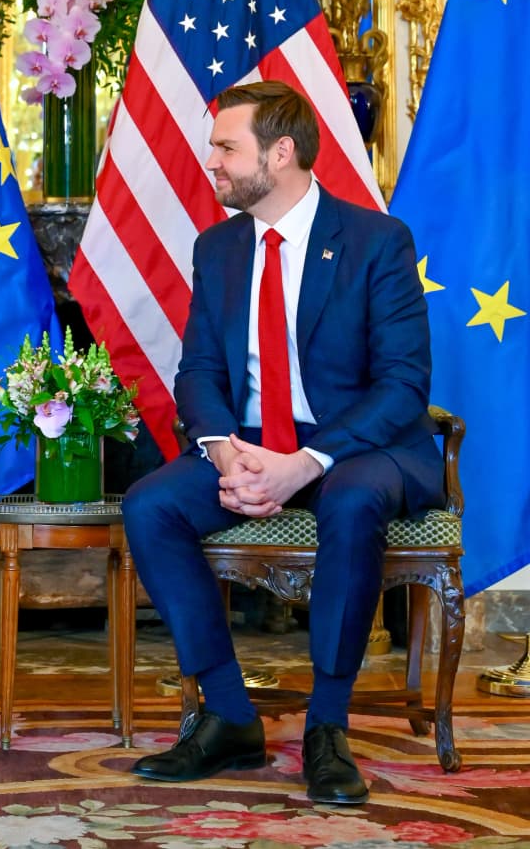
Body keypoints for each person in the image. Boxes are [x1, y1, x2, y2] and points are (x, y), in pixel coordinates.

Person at [123, 80, 443, 805]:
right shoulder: (220, 247)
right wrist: (223, 451)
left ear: (283, 151)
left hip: (361, 445)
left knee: (356, 499)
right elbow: (199, 368)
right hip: (253, 444)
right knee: (150, 506)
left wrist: (305, 462)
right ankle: (230, 715)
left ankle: (327, 727)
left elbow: (403, 386)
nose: (211, 161)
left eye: (226, 147)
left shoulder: (375, 242)